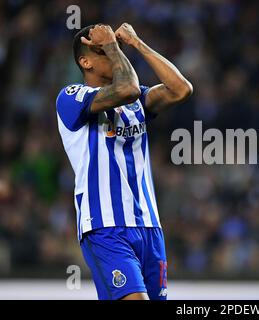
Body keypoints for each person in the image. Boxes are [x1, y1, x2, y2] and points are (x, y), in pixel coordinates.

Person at [56, 23, 193, 300]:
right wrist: (112, 44)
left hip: (149, 226)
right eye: (102, 51)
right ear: (85, 62)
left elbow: (181, 89)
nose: (112, 52)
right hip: (105, 227)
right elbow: (127, 87)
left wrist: (137, 43)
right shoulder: (71, 97)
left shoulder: (136, 101)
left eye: (112, 48)